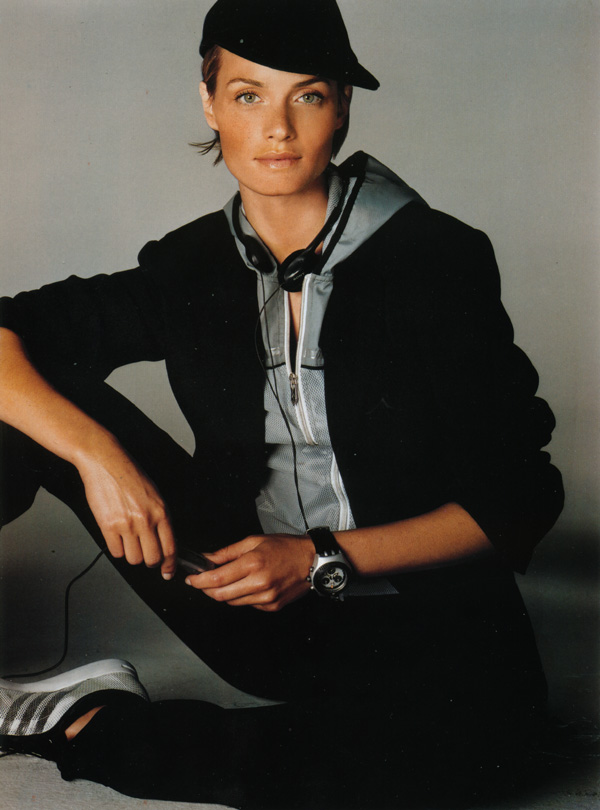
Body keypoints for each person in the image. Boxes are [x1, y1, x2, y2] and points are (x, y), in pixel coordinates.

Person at [0, 0, 564, 807]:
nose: (277, 128)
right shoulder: (189, 265)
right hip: (244, 600)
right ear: (209, 104)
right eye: (247, 95)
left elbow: (521, 496)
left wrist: (318, 558)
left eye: (308, 96)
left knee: (461, 764)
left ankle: (84, 722)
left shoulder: (435, 259)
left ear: (342, 107)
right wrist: (99, 457)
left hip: (423, 625)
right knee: (21, 408)